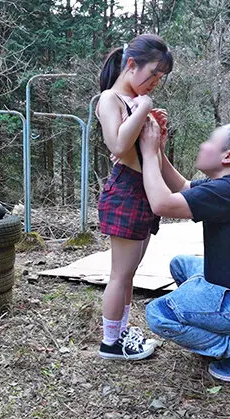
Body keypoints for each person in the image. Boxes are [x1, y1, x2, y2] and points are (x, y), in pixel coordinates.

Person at [138, 119, 230, 381]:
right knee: (180, 264)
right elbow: (182, 187)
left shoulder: (226, 192)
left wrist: (148, 154)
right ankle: (211, 319)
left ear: (228, 156)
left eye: (210, 142)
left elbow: (161, 204)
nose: (202, 145)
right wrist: (158, 149)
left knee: (158, 314)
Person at [95, 34, 173, 360]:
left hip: (143, 191)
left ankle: (121, 331)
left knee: (129, 274)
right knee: (120, 274)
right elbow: (116, 144)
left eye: (160, 77)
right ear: (131, 64)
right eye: (153, 73)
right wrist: (144, 108)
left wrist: (156, 131)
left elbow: (146, 153)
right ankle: (110, 342)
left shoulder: (136, 101)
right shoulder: (110, 98)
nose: (155, 82)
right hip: (126, 191)